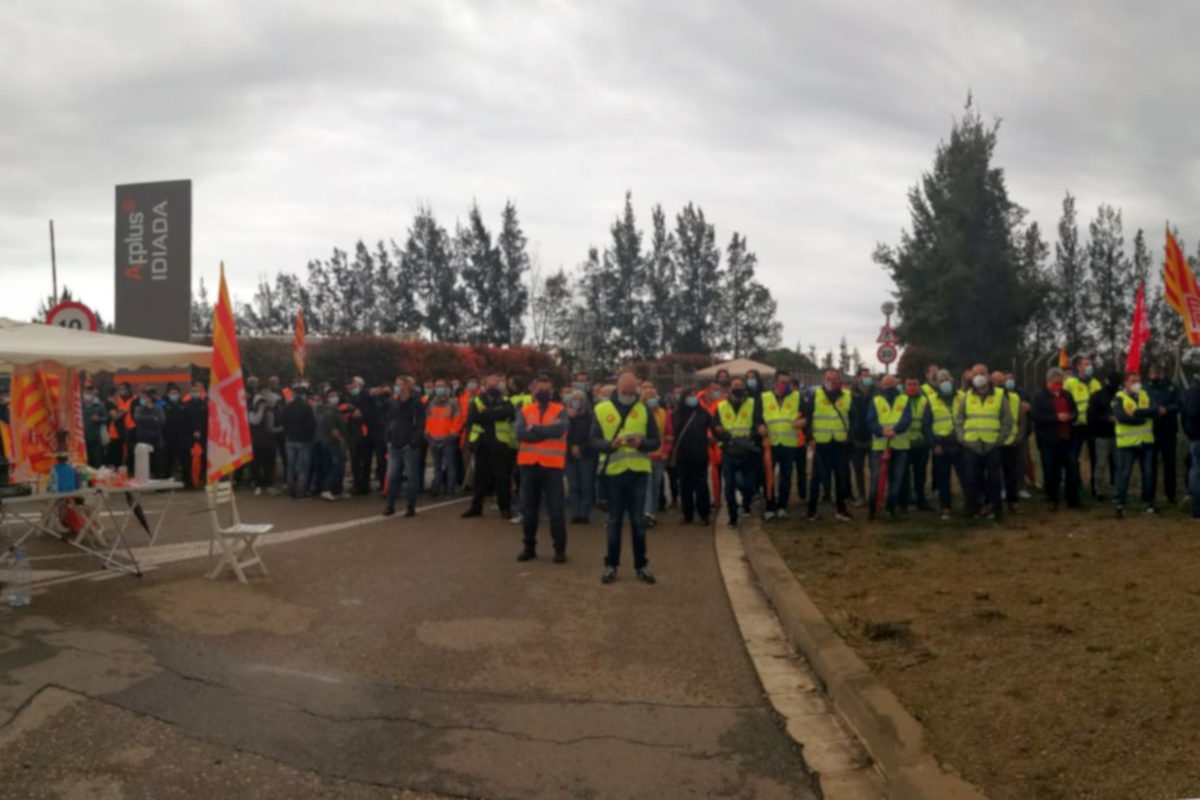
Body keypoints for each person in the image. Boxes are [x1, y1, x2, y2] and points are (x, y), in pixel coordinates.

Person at [591, 372, 660, 584]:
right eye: (624, 392)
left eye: (632, 393)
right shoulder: (601, 409)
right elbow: (592, 441)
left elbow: (655, 441)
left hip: (638, 472)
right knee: (614, 521)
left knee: (638, 522)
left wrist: (641, 443)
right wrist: (610, 445)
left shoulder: (644, 409)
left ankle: (642, 565)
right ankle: (611, 565)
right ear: (617, 388)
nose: (628, 396)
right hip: (614, 473)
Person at [515, 376, 569, 563]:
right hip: (529, 465)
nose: (543, 392)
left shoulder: (560, 410)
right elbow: (519, 433)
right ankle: (529, 548)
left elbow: (559, 431)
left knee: (556, 511)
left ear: (552, 392)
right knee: (529, 510)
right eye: (540, 389)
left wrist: (535, 430)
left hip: (552, 467)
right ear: (533, 391)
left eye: (547, 389)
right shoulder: (524, 410)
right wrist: (544, 432)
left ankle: (559, 550)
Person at [955, 365, 1012, 520]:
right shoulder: (967, 396)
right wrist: (962, 437)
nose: (979, 376)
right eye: (976, 374)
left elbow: (1007, 420)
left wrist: (1000, 439)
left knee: (994, 479)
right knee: (972, 478)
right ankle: (975, 508)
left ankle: (995, 507)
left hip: (992, 444)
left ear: (989, 376)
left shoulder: (1000, 395)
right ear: (971, 377)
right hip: (971, 444)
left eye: (983, 373)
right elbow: (959, 418)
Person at [462, 374, 517, 520]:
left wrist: (487, 414)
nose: (493, 387)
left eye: (496, 385)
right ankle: (476, 507)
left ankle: (505, 508)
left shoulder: (506, 401)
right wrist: (496, 414)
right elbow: (473, 418)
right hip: (482, 444)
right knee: (479, 479)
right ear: (484, 385)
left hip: (501, 445)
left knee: (502, 479)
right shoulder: (477, 401)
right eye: (490, 385)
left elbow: (510, 414)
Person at [712, 375, 764, 527]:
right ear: (729, 388)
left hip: (747, 450)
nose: (738, 387)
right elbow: (715, 426)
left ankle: (746, 504)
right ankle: (732, 516)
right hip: (729, 450)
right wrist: (722, 434)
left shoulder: (752, 403)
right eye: (735, 385)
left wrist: (756, 433)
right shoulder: (721, 406)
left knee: (748, 484)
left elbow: (758, 422)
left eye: (741, 385)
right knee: (729, 486)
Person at [803, 367, 853, 522]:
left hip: (840, 442)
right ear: (824, 379)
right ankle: (811, 511)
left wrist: (849, 436)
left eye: (834, 379)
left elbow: (853, 418)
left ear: (839, 380)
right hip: (821, 442)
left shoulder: (847, 396)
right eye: (828, 379)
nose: (832, 381)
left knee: (841, 477)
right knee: (817, 478)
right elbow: (807, 417)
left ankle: (841, 509)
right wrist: (809, 437)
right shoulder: (815, 395)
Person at [1031, 367, 1080, 510]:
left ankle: (1073, 499)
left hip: (1068, 438)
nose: (1058, 385)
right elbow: (1036, 417)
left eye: (1061, 382)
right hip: (1049, 440)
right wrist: (1055, 418)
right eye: (1056, 382)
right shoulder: (1039, 396)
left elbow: (1075, 411)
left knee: (1072, 469)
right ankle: (1052, 498)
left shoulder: (1067, 395)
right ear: (1048, 381)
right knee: (1051, 471)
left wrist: (1071, 416)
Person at [866, 374, 912, 518]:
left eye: (892, 383)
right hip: (880, 446)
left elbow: (907, 418)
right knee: (876, 478)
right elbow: (870, 421)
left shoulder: (905, 399)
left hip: (900, 445)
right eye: (886, 384)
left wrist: (895, 430)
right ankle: (873, 508)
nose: (889, 386)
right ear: (881, 385)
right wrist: (882, 431)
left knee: (896, 480)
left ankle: (891, 508)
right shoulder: (875, 400)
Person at [1112, 372, 1156, 518]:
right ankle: (1120, 503)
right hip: (1127, 444)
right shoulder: (1119, 397)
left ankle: (1147, 503)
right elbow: (1121, 416)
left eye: (1138, 380)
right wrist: (1141, 418)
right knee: (1124, 474)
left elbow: (1154, 410)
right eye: (1133, 381)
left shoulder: (1145, 394)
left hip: (1145, 442)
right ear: (1126, 383)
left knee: (1148, 474)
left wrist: (1136, 413)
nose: (1137, 383)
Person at [762, 370, 805, 520]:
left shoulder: (797, 397)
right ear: (775, 382)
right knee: (768, 476)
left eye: (787, 382)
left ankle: (782, 506)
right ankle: (769, 505)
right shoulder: (765, 397)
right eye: (781, 382)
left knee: (786, 476)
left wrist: (804, 421)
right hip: (770, 443)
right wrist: (759, 427)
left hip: (788, 443)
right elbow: (757, 417)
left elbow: (807, 414)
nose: (784, 385)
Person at [383, 378, 425, 517]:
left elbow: (420, 425)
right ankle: (390, 505)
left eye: (399, 384)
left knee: (412, 476)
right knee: (393, 476)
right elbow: (389, 422)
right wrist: (388, 439)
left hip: (409, 446)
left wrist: (413, 443)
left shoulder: (416, 404)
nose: (396, 387)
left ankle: (410, 506)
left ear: (406, 386)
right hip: (395, 445)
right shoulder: (394, 404)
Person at [673, 386, 712, 525]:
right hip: (683, 456)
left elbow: (712, 428)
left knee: (701, 486)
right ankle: (687, 514)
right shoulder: (677, 414)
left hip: (700, 454)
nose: (693, 397)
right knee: (685, 486)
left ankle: (704, 514)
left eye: (694, 395)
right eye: (689, 395)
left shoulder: (703, 413)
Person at [1064, 355, 1102, 496]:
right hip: (1076, 425)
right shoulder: (1070, 383)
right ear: (1079, 367)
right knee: (1074, 458)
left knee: (1095, 457)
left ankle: (1095, 487)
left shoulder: (1096, 384)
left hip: (1092, 426)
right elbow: (1065, 402)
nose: (1089, 366)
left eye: (1090, 364)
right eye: (1086, 364)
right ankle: (1076, 485)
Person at [923, 370, 958, 519]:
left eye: (947, 380)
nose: (945, 383)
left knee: (968, 476)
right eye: (941, 381)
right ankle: (945, 507)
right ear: (937, 383)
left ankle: (974, 505)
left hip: (960, 443)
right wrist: (933, 445)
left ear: (952, 380)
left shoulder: (962, 397)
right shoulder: (931, 400)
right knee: (943, 478)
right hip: (941, 445)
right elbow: (926, 425)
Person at [1146, 363, 1181, 506]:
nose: (1156, 376)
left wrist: (1167, 409)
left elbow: (1179, 404)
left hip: (1169, 430)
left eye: (1158, 373)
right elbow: (1142, 404)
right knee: (1151, 464)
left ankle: (1171, 494)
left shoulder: (1171, 387)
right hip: (1151, 431)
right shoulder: (1145, 388)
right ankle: (1150, 495)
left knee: (1170, 463)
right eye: (1153, 373)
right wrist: (1154, 409)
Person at [991, 370, 1023, 513]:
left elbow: (1022, 420)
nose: (1000, 383)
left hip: (1011, 441)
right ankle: (995, 502)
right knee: (993, 475)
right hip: (994, 442)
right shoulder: (988, 398)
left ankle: (1013, 501)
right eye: (996, 380)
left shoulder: (1015, 397)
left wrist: (1019, 437)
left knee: (1011, 474)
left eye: (1001, 380)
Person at [641, 384, 672, 527]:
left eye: (655, 397)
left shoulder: (663, 413)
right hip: (644, 456)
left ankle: (651, 512)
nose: (654, 400)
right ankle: (646, 513)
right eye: (650, 398)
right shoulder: (640, 413)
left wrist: (666, 451)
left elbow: (668, 435)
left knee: (656, 487)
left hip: (659, 456)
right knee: (646, 487)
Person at [424, 379, 461, 496]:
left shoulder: (452, 403)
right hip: (433, 438)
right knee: (437, 466)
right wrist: (428, 434)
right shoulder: (431, 403)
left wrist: (452, 435)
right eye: (437, 386)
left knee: (450, 465)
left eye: (441, 386)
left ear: (446, 388)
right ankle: (437, 487)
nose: (439, 389)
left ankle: (450, 488)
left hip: (447, 439)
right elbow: (428, 420)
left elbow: (457, 421)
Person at [565, 389, 595, 524]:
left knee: (586, 485)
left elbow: (592, 435)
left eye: (579, 399)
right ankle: (575, 513)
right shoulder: (566, 418)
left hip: (586, 455)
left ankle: (584, 514)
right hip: (570, 455)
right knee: (573, 485)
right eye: (574, 399)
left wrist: (581, 447)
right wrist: (571, 446)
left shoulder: (590, 416)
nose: (577, 402)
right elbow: (564, 434)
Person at [280, 386, 316, 499]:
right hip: (304, 441)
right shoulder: (307, 407)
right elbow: (312, 425)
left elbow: (282, 421)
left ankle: (291, 490)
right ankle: (303, 491)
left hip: (290, 439)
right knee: (303, 467)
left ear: (294, 394)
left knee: (290, 466)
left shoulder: (287, 407)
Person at [1086, 373, 1119, 500]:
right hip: (1102, 435)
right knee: (1101, 464)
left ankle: (1115, 489)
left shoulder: (1120, 396)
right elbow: (1092, 416)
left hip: (1118, 434)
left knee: (1116, 464)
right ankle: (1098, 490)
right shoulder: (1098, 396)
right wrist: (1106, 419)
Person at [900, 376, 930, 511]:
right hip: (904, 443)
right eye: (909, 384)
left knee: (921, 474)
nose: (912, 386)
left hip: (921, 443)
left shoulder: (925, 400)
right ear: (904, 386)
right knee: (904, 474)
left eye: (915, 384)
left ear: (919, 385)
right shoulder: (899, 401)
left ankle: (921, 500)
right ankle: (904, 501)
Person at [317, 388, 349, 501]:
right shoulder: (330, 412)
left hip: (329, 441)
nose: (335, 396)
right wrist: (340, 439)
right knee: (336, 466)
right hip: (333, 442)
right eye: (332, 395)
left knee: (335, 466)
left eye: (335, 394)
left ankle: (336, 489)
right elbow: (333, 429)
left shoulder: (331, 410)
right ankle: (327, 489)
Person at [848, 368, 874, 505]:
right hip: (856, 437)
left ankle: (873, 495)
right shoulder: (850, 395)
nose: (867, 378)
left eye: (869, 375)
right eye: (864, 376)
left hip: (873, 437)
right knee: (858, 469)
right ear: (858, 378)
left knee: (874, 469)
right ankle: (861, 495)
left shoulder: (875, 394)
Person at [161, 383, 192, 487]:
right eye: (171, 393)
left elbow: (189, 421)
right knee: (168, 461)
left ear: (179, 394)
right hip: (169, 437)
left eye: (175, 393)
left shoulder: (184, 406)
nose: (173, 395)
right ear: (168, 394)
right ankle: (166, 483)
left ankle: (188, 483)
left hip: (182, 437)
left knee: (185, 461)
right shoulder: (165, 407)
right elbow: (162, 423)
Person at [132, 387, 166, 478]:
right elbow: (138, 419)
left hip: (156, 438)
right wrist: (152, 418)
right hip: (143, 438)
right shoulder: (138, 409)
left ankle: (158, 478)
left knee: (157, 460)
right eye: (142, 398)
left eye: (145, 398)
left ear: (150, 398)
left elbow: (162, 420)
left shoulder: (158, 409)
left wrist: (149, 419)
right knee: (144, 460)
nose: (143, 400)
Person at [248, 394, 277, 495]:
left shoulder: (269, 413)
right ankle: (257, 485)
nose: (262, 404)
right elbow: (255, 421)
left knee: (268, 465)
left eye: (263, 402)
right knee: (255, 465)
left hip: (268, 443)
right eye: (260, 402)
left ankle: (269, 485)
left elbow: (270, 427)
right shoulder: (251, 412)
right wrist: (260, 411)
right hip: (256, 443)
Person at [1183, 367, 1200, 519]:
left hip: (1194, 435)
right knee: (1197, 471)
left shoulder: (1192, 390)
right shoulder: (1195, 391)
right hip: (1197, 436)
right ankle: (1197, 507)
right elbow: (1192, 413)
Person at [82, 385, 107, 468]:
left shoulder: (99, 406)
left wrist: (99, 418)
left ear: (93, 395)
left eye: (90, 394)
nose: (88, 395)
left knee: (97, 458)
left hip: (96, 436)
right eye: (86, 393)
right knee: (85, 458)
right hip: (82, 436)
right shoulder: (79, 406)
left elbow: (106, 418)